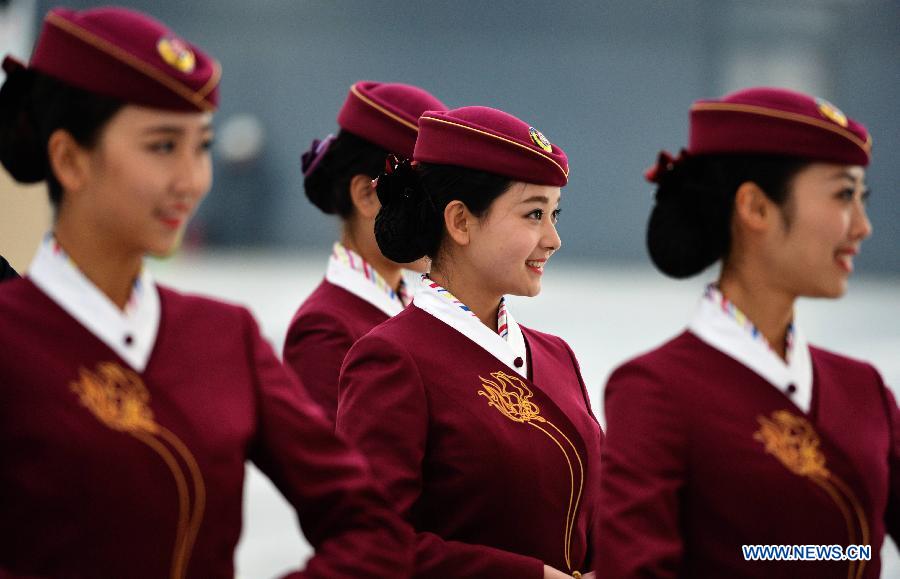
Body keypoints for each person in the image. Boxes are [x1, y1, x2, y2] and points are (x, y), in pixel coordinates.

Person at [0, 7, 411, 578]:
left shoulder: (225, 337)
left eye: (201, 148)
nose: (192, 181)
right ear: (69, 158)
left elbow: (371, 525)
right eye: (163, 146)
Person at [595, 87, 899, 578]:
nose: (863, 226)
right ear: (756, 207)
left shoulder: (865, 389)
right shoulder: (654, 392)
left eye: (862, 198)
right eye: (844, 195)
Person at [336, 105, 604, 579]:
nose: (554, 238)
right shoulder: (394, 359)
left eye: (555, 214)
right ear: (460, 221)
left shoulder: (557, 355)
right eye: (534, 214)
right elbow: (366, 546)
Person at [283, 81, 446, 423]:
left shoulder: (417, 307)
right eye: (422, 197)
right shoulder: (325, 330)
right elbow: (332, 471)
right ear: (367, 196)